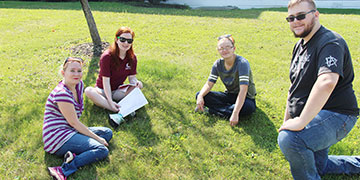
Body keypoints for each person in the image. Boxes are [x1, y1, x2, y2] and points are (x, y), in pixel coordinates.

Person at [278, 0, 360, 179]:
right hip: (315, 114)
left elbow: (327, 82)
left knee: (291, 140)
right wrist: (287, 119)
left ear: (316, 15)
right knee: (318, 166)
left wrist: (300, 123)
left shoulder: (330, 42)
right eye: (290, 18)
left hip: (338, 114)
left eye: (301, 16)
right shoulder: (299, 46)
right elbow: (294, 87)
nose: (295, 21)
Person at [43, 57, 113, 180]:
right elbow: (74, 122)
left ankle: (73, 153)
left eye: (79, 71)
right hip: (57, 138)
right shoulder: (62, 94)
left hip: (69, 130)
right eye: (72, 71)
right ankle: (65, 168)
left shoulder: (78, 85)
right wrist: (97, 139)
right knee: (101, 149)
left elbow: (73, 123)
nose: (76, 74)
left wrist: (96, 137)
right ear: (63, 73)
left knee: (107, 133)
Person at [85, 27, 143, 126]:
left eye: (129, 41)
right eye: (122, 39)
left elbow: (132, 78)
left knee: (139, 87)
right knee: (88, 91)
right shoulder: (107, 57)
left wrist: (136, 83)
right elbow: (106, 82)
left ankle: (119, 109)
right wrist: (110, 101)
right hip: (102, 90)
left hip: (117, 90)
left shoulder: (132, 58)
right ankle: (119, 109)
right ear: (116, 39)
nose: (126, 43)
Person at [195, 35, 256, 126]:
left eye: (228, 47)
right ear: (218, 50)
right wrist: (200, 96)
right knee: (201, 94)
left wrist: (235, 113)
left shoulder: (242, 63)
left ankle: (213, 111)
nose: (224, 50)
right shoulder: (218, 64)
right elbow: (209, 84)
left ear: (234, 48)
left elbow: (243, 90)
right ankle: (228, 110)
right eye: (221, 48)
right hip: (230, 95)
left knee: (248, 108)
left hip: (246, 98)